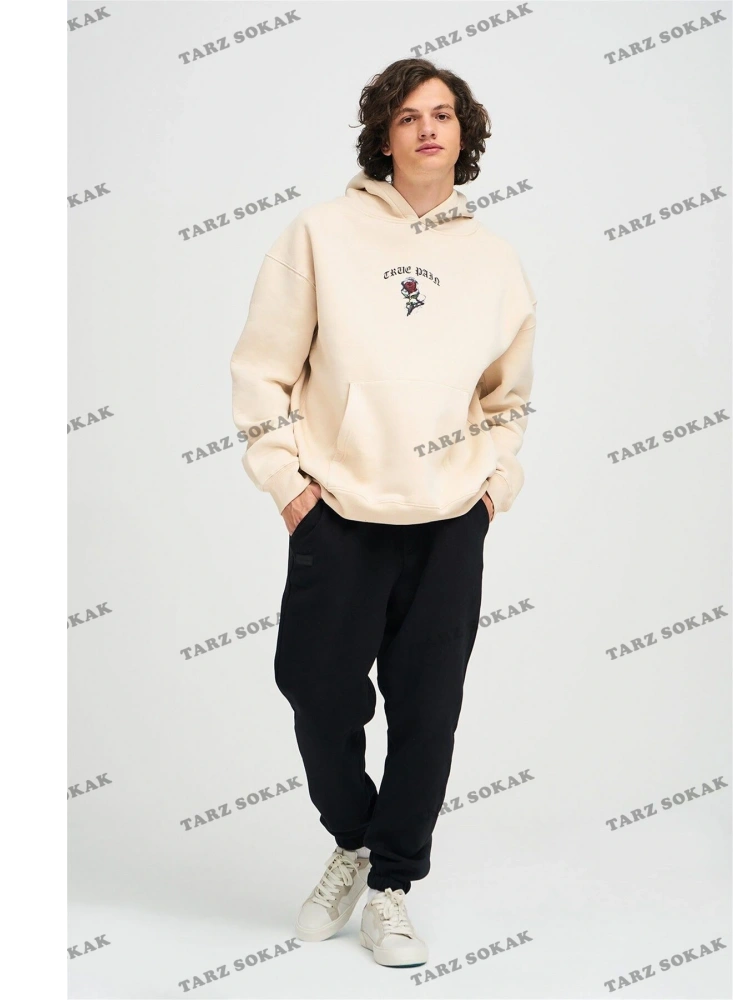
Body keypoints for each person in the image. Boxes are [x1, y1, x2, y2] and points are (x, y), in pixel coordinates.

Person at [230, 57, 537, 968]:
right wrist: (287, 484)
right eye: (408, 116)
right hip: (339, 510)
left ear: (464, 133)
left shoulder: (493, 259)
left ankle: (393, 886)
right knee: (315, 688)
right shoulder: (320, 235)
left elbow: (508, 397)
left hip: (449, 518)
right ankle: (353, 840)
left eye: (443, 114)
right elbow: (262, 369)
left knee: (427, 710)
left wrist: (493, 489)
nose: (428, 128)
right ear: (384, 136)